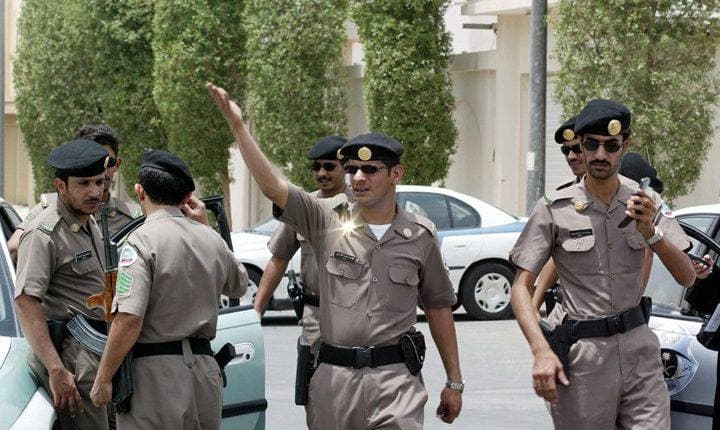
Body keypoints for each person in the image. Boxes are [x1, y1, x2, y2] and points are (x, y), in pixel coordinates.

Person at [207, 82, 463, 429]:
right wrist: (238, 126)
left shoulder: (420, 235)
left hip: (396, 382)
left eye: (370, 170)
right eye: (352, 169)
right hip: (334, 383)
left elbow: (438, 307)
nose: (358, 178)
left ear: (396, 174)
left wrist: (454, 382)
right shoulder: (326, 217)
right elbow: (273, 187)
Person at [510, 98, 696, 429]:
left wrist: (650, 232)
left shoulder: (646, 202)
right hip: (584, 357)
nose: (600, 154)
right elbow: (520, 287)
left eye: (611, 145)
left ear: (625, 145)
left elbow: (687, 276)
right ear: (580, 145)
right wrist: (540, 350)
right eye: (591, 144)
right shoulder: (554, 207)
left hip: (639, 352)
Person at [89, 149, 248, 429]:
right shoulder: (210, 239)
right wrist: (207, 229)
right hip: (204, 375)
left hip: (156, 379)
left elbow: (129, 319)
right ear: (187, 197)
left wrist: (103, 378)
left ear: (140, 192)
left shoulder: (139, 242)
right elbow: (239, 285)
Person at [14, 139, 112, 429]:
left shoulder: (89, 222)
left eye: (99, 182)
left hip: (97, 354)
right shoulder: (44, 234)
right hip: (72, 360)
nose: (94, 192)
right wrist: (56, 369)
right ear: (60, 186)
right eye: (84, 183)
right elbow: (26, 301)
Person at [253, 135, 351, 424]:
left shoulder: (363, 205)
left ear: (345, 167)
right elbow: (279, 258)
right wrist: (257, 308)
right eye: (316, 167)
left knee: (355, 393)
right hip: (315, 316)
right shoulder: (305, 207)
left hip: (355, 314)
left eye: (329, 166)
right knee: (316, 398)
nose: (321, 173)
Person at [8, 124, 139, 262]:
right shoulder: (49, 210)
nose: (102, 171)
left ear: (117, 164)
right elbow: (14, 249)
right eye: (91, 163)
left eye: (108, 162)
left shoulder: (133, 217)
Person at [531, 116, 587, 315]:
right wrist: (534, 305)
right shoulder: (562, 197)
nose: (571, 156)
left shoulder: (623, 194)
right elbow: (559, 255)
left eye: (577, 149)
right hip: (571, 310)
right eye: (566, 150)